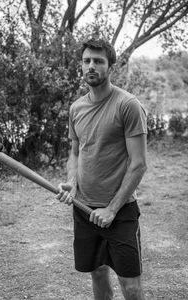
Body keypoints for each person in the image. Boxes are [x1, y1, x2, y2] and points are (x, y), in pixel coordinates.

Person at [56, 38, 147, 300]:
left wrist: (111, 209)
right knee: (97, 273)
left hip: (119, 213)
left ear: (111, 67)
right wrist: (72, 182)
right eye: (86, 61)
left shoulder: (127, 105)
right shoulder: (76, 108)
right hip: (83, 210)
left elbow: (139, 163)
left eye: (98, 61)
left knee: (130, 285)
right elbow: (75, 151)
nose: (91, 66)